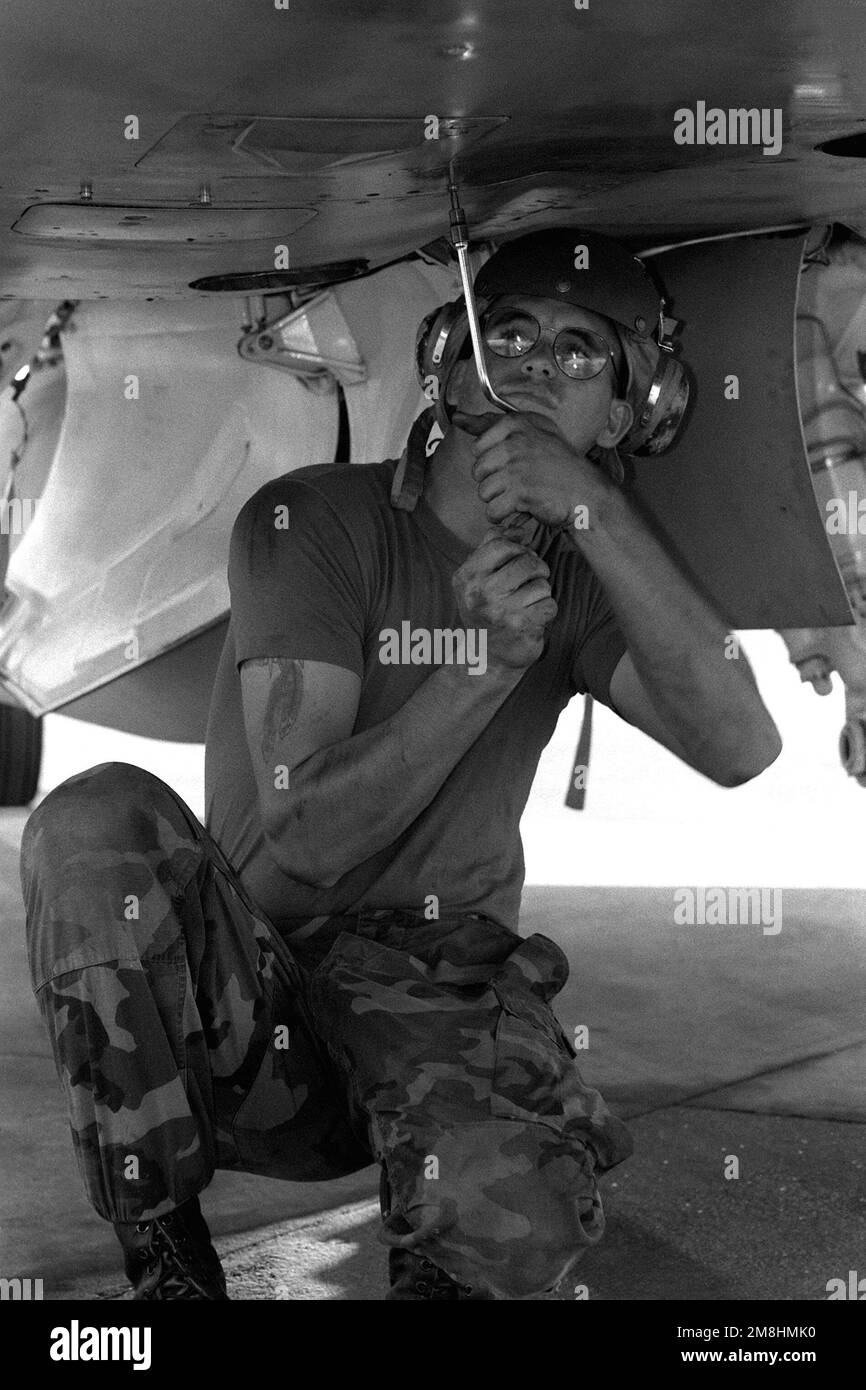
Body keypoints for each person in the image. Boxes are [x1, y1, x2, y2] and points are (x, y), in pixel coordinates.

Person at [20, 228, 782, 1301]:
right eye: (505, 334)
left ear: (624, 414)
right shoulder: (311, 525)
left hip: (437, 999)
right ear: (449, 364)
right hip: (254, 1020)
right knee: (92, 820)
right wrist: (476, 669)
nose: (529, 366)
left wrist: (594, 510)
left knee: (510, 1226)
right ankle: (165, 1262)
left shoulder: (583, 568)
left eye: (578, 353)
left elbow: (741, 747)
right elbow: (309, 837)